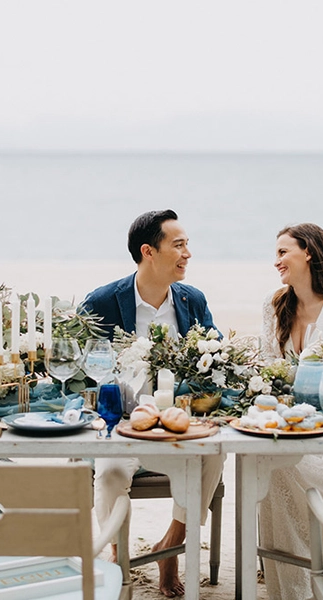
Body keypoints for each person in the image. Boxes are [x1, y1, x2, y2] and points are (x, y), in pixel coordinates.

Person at [79, 209, 224, 598]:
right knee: (109, 474)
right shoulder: (103, 302)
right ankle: (117, 549)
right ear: (149, 251)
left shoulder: (192, 300)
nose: (187, 253)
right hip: (120, 426)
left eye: (187, 244)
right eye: (178, 245)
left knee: (215, 455)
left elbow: (218, 359)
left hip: (180, 424)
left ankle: (170, 546)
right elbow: (79, 376)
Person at [258, 223, 323, 600]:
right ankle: (286, 574)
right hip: (284, 424)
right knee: (266, 457)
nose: (277, 261)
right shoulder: (276, 306)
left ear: (309, 253)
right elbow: (264, 367)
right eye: (276, 254)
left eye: (284, 252)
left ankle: (310, 570)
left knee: (278, 462)